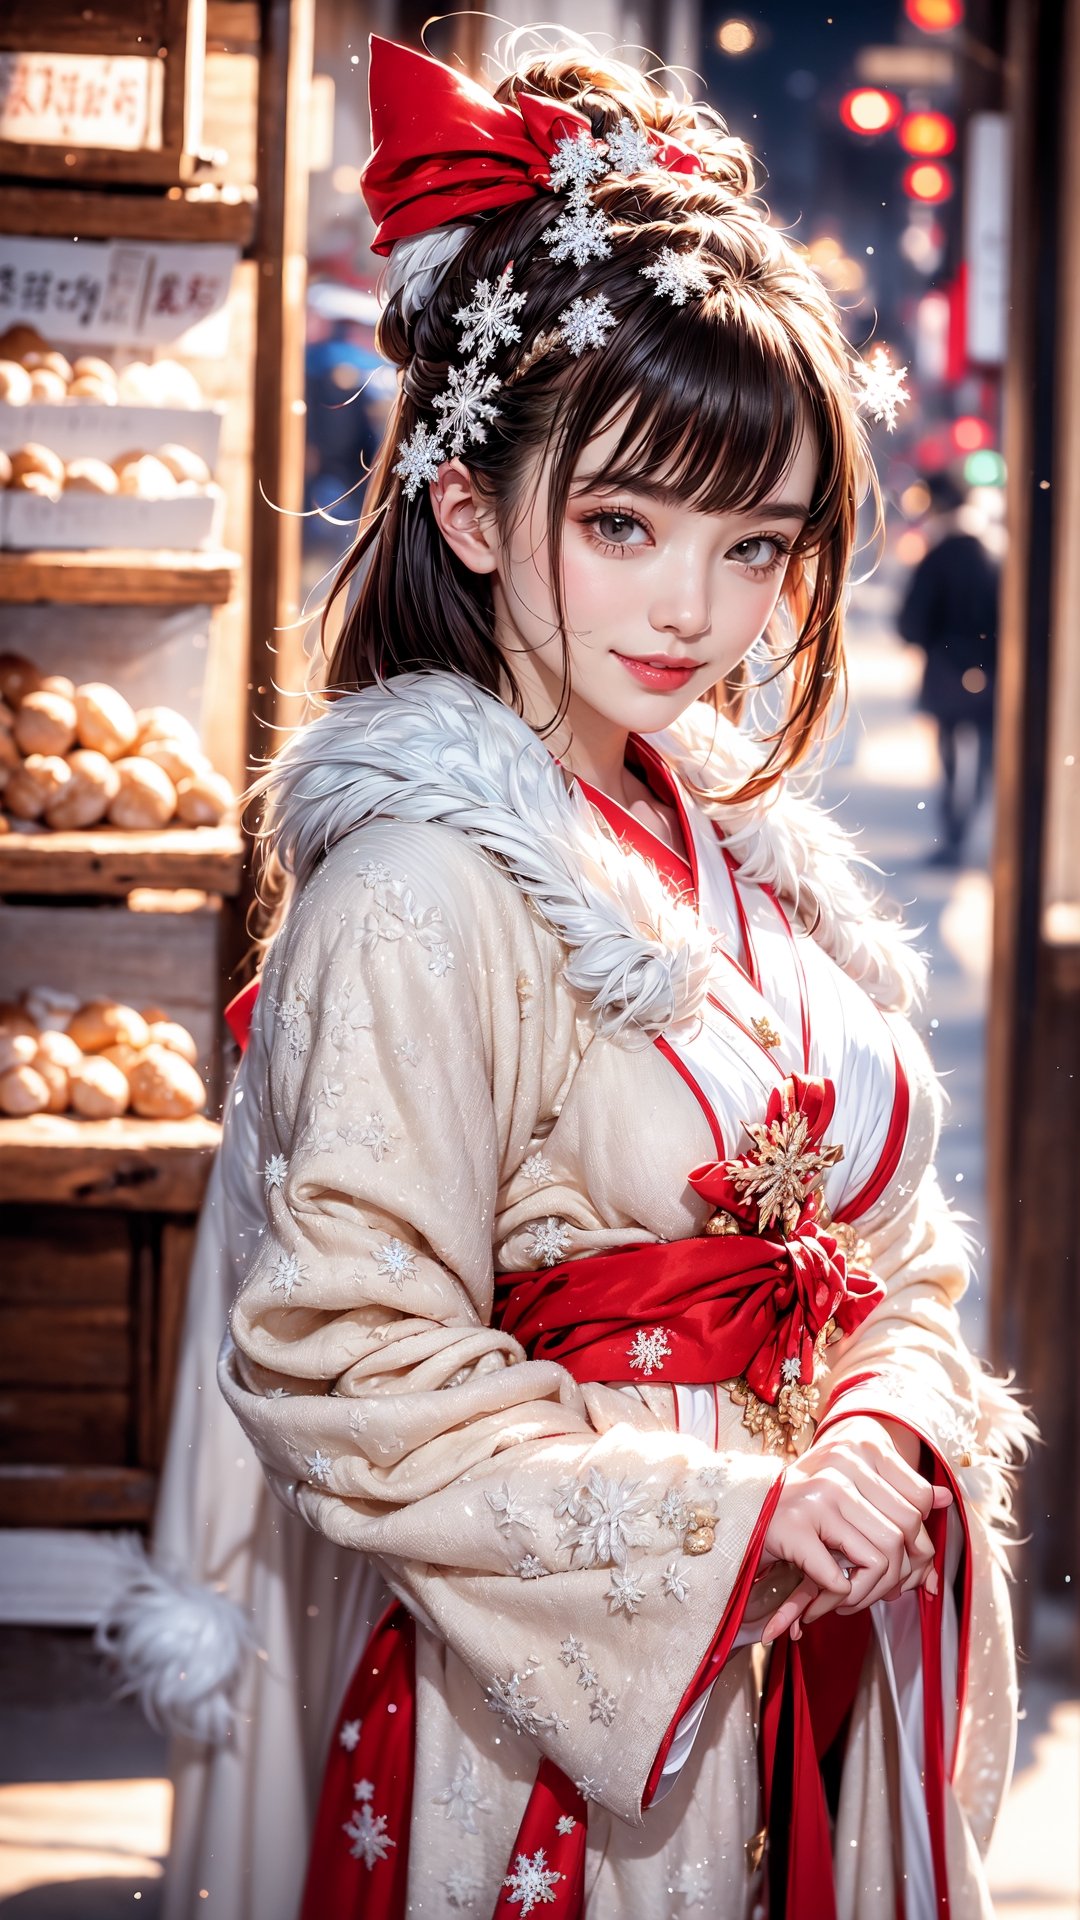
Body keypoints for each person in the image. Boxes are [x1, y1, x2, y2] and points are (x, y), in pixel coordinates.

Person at [99, 32, 1033, 1920]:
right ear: (467, 508)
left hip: (792, 1651)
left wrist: (878, 1421)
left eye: (754, 543)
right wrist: (739, 1519)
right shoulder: (427, 879)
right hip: (549, 1721)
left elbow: (895, 1251)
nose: (692, 606)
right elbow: (339, 1360)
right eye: (622, 525)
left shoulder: (730, 848)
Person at [898, 472, 1000, 867]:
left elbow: (911, 621)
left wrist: (928, 645)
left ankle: (953, 836)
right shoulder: (994, 553)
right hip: (991, 674)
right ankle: (978, 826)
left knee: (950, 757)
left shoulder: (938, 557)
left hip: (944, 673)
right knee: (987, 757)